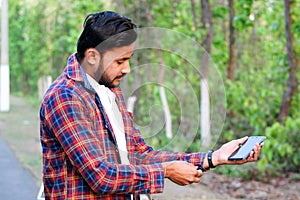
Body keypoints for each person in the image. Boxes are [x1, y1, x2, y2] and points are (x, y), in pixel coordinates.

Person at [40, 11, 263, 200]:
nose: (126, 69)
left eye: (128, 59)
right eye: (120, 61)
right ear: (92, 56)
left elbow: (139, 154)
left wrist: (214, 157)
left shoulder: (107, 89)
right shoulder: (66, 98)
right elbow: (101, 176)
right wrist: (166, 171)